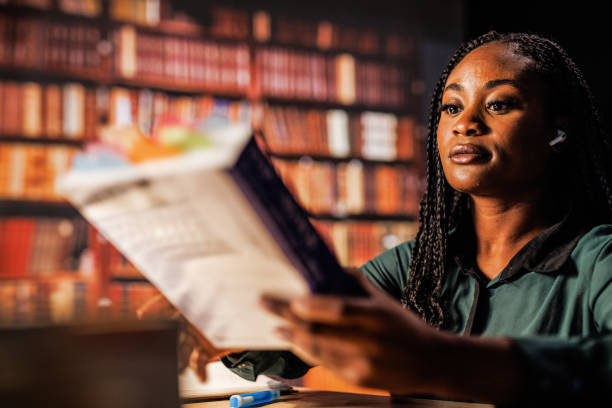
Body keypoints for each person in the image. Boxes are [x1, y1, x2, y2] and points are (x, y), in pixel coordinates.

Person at [140, 31, 612, 406]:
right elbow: (299, 337)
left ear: (557, 131)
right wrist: (223, 320)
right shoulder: (412, 267)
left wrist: (438, 360)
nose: (465, 123)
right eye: (451, 106)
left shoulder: (599, 258)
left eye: (499, 104)